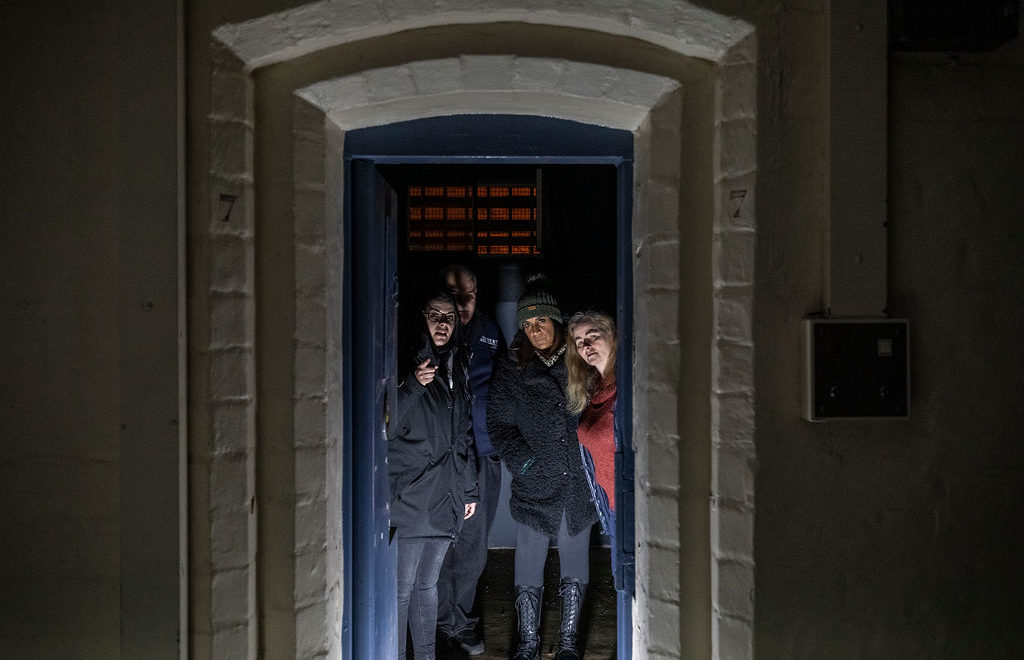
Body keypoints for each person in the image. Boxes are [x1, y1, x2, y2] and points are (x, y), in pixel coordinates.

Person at [487, 275, 598, 660]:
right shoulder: (512, 367)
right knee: (528, 565)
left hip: (576, 482)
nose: (534, 331)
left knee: (575, 562)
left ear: (556, 321)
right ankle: (528, 643)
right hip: (535, 481)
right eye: (528, 324)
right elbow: (499, 424)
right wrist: (526, 463)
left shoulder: (579, 361)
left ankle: (569, 642)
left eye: (541, 322)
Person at [389, 290, 479, 660]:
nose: (442, 324)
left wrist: (469, 487)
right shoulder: (404, 361)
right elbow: (384, 426)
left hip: (447, 493)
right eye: (434, 315)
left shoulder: (458, 364)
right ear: (421, 318)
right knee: (402, 588)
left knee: (427, 585)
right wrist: (413, 385)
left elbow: (464, 433)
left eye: (449, 317)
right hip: (411, 494)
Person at [435, 265, 507, 656]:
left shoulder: (489, 331)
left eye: (470, 294)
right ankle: (440, 623)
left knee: (473, 547)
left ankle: (460, 622)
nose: (463, 303)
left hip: (484, 454)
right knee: (441, 543)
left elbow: (500, 384)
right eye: (453, 293)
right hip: (444, 455)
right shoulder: (435, 332)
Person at [566, 310, 618, 580]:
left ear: (611, 336)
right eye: (579, 341)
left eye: (592, 336)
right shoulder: (592, 388)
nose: (585, 346)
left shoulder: (629, 386)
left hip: (634, 502)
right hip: (610, 505)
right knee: (624, 584)